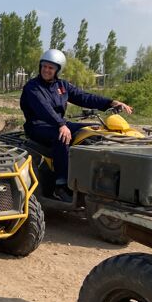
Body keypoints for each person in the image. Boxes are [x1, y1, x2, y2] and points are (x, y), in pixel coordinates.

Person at [21, 49, 133, 200]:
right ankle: (61, 186)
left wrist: (111, 102)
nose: (46, 70)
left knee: (94, 130)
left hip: (59, 123)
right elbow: (43, 108)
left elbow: (84, 97)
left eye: (51, 68)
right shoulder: (32, 87)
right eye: (44, 66)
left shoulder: (62, 86)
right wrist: (61, 124)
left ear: (57, 70)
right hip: (38, 126)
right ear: (40, 66)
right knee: (62, 137)